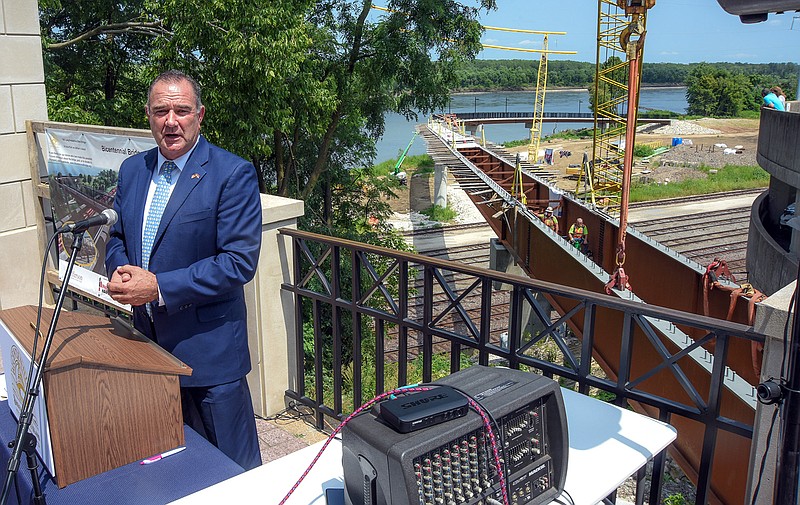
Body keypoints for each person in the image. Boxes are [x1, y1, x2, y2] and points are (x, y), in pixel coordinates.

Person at [105, 70, 263, 470]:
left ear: (200, 115)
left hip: (209, 358)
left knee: (234, 475)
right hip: (148, 350)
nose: (170, 121)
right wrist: (121, 271)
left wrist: (158, 287)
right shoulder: (133, 170)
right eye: (161, 111)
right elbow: (117, 234)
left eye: (181, 110)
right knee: (175, 470)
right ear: (148, 115)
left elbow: (238, 262)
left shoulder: (232, 173)